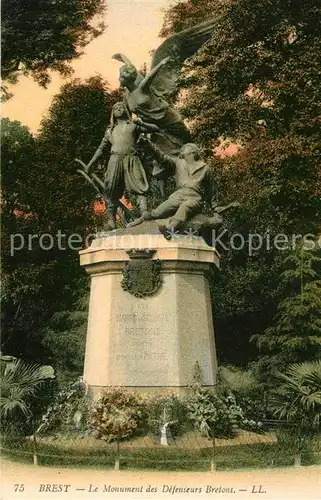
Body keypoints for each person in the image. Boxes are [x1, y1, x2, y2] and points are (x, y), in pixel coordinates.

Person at [84, 101, 159, 230]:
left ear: (126, 110)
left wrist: (141, 122)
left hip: (131, 158)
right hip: (115, 159)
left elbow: (155, 128)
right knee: (111, 190)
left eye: (121, 107)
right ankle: (112, 221)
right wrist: (90, 164)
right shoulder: (110, 130)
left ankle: (144, 212)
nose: (119, 108)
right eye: (116, 108)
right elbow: (101, 149)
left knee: (139, 185)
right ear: (113, 113)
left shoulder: (133, 125)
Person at [141, 140, 214, 231]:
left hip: (194, 197)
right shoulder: (178, 162)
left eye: (184, 149)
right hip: (178, 195)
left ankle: (169, 228)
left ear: (193, 152)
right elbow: (162, 157)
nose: (182, 151)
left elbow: (210, 189)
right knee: (158, 212)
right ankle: (142, 219)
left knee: (185, 207)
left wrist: (212, 206)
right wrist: (149, 145)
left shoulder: (205, 168)